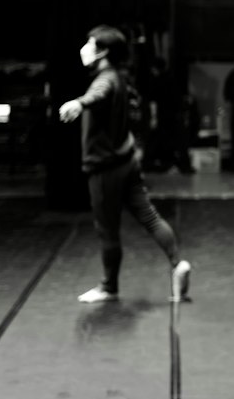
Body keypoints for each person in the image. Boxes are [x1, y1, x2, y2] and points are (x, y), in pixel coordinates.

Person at [59, 26, 192, 304]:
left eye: (90, 43)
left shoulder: (105, 79)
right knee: (150, 216)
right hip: (126, 161)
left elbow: (98, 93)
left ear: (104, 51)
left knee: (107, 228)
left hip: (106, 168)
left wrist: (79, 103)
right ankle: (177, 263)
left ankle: (109, 287)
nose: (85, 48)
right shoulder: (119, 78)